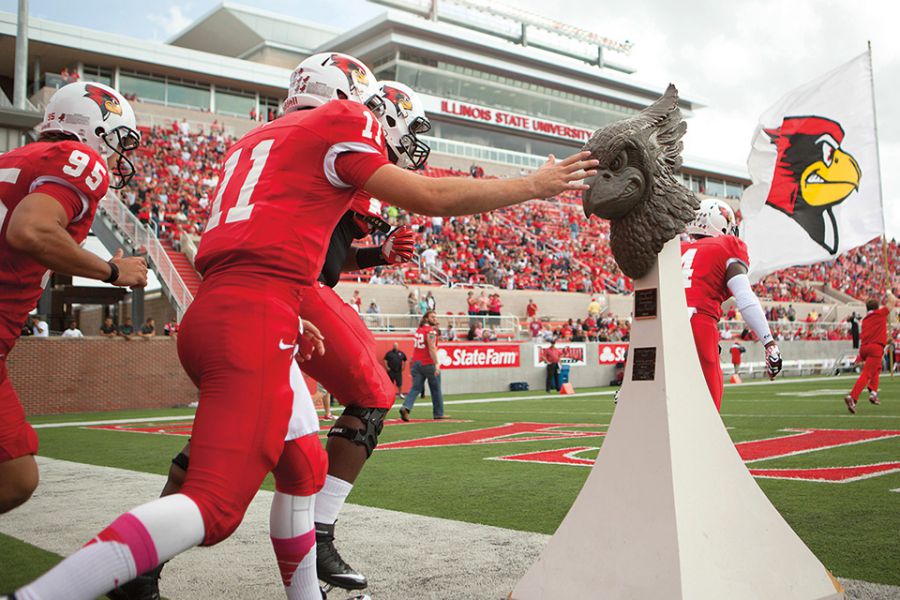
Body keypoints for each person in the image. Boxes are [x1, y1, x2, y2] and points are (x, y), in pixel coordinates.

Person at [16, 50, 594, 600]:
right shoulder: (341, 122)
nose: (372, 117)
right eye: (368, 104)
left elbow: (282, 238)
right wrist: (532, 186)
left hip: (239, 303)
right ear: (346, 98)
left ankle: (302, 584)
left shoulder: (258, 139)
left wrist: (302, 296)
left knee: (304, 465)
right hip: (257, 310)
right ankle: (73, 585)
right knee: (218, 506)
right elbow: (428, 195)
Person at [0, 82, 145, 517]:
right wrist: (114, 272)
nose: (118, 153)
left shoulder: (13, 159)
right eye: (116, 138)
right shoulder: (76, 159)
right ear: (94, 129)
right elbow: (30, 231)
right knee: (15, 478)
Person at [681, 199, 782, 411]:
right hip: (698, 323)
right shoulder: (727, 246)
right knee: (709, 410)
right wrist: (769, 342)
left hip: (665, 323)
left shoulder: (677, 249)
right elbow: (745, 298)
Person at [844, 296, 895, 413]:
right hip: (875, 349)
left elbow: (873, 337)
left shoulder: (866, 319)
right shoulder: (880, 314)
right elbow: (892, 302)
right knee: (866, 374)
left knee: (877, 369)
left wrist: (887, 341)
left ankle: (873, 392)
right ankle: (852, 397)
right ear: (876, 308)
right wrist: (889, 293)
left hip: (865, 348)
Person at [399, 310, 447, 421]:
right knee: (436, 389)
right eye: (432, 317)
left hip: (416, 362)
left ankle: (406, 407)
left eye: (435, 316)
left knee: (415, 388)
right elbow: (431, 348)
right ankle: (438, 413)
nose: (435, 318)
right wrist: (436, 364)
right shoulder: (431, 332)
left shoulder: (419, 330)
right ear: (426, 318)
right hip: (428, 363)